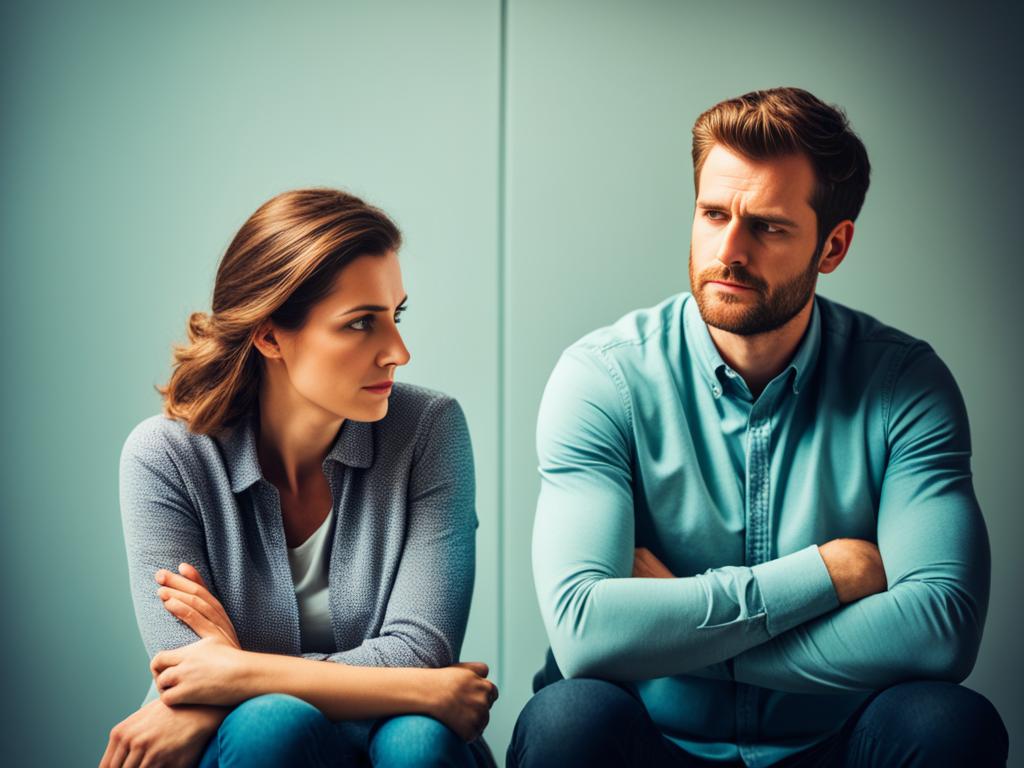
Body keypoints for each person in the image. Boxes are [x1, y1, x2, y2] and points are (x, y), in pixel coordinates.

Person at [510, 88, 1008, 767]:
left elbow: (940, 632)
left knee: (951, 725)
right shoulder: (604, 379)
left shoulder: (904, 385)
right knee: (567, 720)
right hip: (658, 736)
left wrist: (679, 629)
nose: (729, 250)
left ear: (832, 246)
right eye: (713, 214)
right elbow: (585, 635)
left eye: (768, 226)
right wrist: (827, 574)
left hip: (834, 738)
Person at [101, 189, 498, 768]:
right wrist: (420, 684)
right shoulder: (164, 459)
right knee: (272, 724)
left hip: (397, 740)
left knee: (419, 738)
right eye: (361, 323)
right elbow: (185, 669)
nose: (399, 352)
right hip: (245, 746)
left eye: (397, 315)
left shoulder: (429, 430)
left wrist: (238, 671)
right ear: (269, 336)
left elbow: (423, 648)